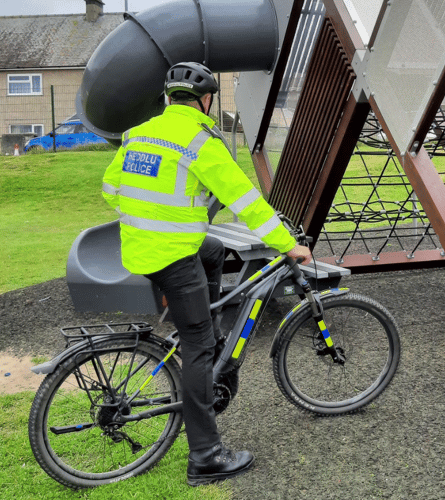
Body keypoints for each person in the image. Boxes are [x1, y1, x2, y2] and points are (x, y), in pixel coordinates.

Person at [101, 61, 312, 486]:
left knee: (213, 249)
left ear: (167, 98)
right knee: (196, 348)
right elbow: (247, 201)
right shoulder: (202, 142)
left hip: (142, 248)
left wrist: (155, 218)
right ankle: (206, 456)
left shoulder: (138, 133)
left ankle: (211, 331)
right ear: (207, 100)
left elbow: (110, 189)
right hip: (172, 256)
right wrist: (288, 244)